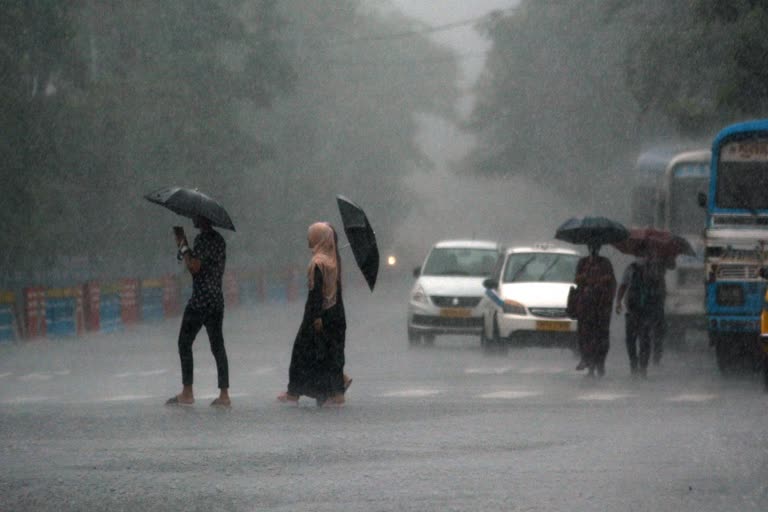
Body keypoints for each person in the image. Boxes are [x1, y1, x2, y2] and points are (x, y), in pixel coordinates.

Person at [278, 222, 351, 407]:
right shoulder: (334, 260)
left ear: (319, 238)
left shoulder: (318, 262)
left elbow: (316, 292)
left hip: (317, 314)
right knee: (331, 353)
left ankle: (295, 392)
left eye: (312, 236)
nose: (308, 239)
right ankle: (335, 392)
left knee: (301, 352)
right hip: (336, 313)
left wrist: (316, 317)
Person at [166, 215, 231, 407]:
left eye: (195, 216)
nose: (192, 218)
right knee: (217, 345)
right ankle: (224, 394)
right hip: (217, 300)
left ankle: (187, 392)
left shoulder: (202, 239)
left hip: (201, 300)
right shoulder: (219, 240)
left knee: (184, 343)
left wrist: (183, 244)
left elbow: (194, 267)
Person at [616, 252, 666, 377]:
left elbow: (660, 289)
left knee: (642, 340)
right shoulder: (632, 269)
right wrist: (618, 302)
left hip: (644, 311)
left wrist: (619, 302)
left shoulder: (653, 269)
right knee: (634, 340)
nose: (642, 257)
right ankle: (636, 364)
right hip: (635, 310)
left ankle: (641, 366)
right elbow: (623, 286)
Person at [574, 243, 616, 377]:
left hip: (602, 307)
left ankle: (600, 363)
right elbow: (577, 279)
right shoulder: (583, 262)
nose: (593, 250)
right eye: (591, 247)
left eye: (595, 247)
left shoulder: (605, 263)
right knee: (585, 336)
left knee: (601, 337)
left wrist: (601, 282)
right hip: (586, 307)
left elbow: (611, 282)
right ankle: (588, 363)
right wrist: (586, 277)